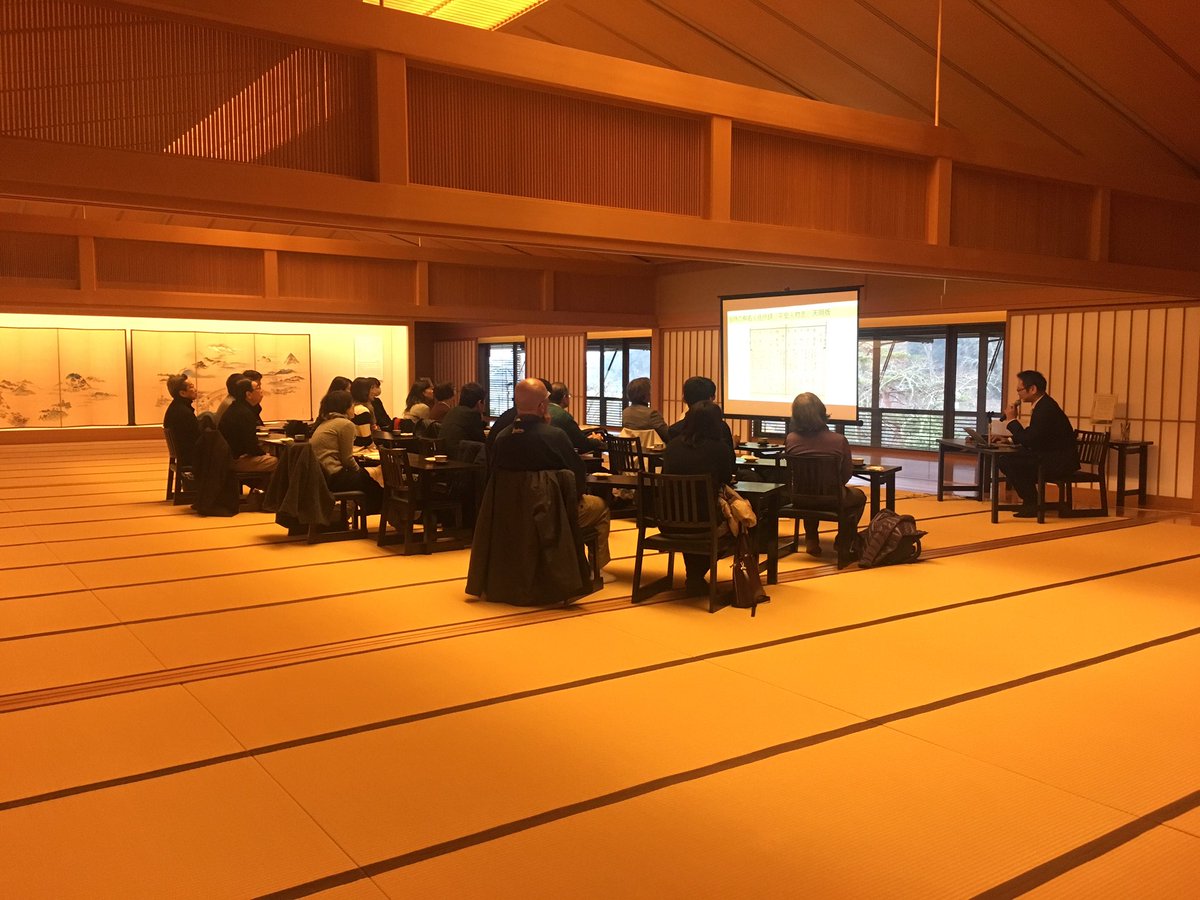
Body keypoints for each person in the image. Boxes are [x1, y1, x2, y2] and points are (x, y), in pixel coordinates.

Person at [492, 378, 612, 579]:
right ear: (542, 406)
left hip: (511, 514)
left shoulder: (502, 438)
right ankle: (593, 570)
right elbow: (577, 476)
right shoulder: (554, 436)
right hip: (552, 514)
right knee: (600, 506)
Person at [661, 400, 736, 593]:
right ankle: (696, 575)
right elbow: (726, 477)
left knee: (692, 518)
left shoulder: (672, 446)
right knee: (742, 524)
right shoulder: (719, 448)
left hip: (668, 521)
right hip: (706, 522)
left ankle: (694, 576)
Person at [785, 391, 865, 568]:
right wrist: (833, 486)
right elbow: (846, 474)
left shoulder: (791, 439)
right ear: (822, 412)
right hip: (833, 499)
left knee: (809, 490)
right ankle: (843, 541)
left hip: (799, 499)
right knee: (860, 496)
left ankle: (811, 539)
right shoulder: (838, 440)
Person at [999, 369, 1080, 518]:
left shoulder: (1045, 408)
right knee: (1008, 460)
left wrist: (1012, 420)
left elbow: (1031, 439)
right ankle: (1031, 501)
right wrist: (1010, 440)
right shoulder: (1043, 404)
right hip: (1051, 457)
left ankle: (1032, 502)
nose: (1018, 394)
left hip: (1058, 462)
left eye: (1019, 390)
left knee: (1009, 461)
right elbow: (1034, 432)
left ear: (1033, 389)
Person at [308, 390, 382, 514]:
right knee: (372, 480)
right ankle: (387, 512)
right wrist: (359, 470)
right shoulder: (345, 424)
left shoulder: (325, 423)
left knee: (368, 479)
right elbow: (347, 459)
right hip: (333, 476)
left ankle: (372, 511)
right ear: (345, 407)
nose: (354, 408)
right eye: (352, 405)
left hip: (322, 476)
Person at [666, 375, 735, 466]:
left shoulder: (674, 430)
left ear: (684, 399)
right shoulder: (722, 428)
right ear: (711, 398)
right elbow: (731, 465)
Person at [218, 377, 277, 474]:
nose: (261, 391)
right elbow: (250, 446)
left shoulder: (237, 408)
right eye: (258, 388)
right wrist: (264, 454)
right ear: (248, 394)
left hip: (230, 456)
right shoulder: (244, 414)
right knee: (276, 462)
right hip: (236, 460)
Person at [548, 382, 603, 454]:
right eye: (569, 396)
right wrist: (596, 440)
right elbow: (582, 444)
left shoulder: (543, 410)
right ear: (564, 398)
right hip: (561, 456)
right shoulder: (564, 416)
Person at [440, 381, 487, 457]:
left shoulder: (453, 411)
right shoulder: (472, 414)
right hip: (459, 460)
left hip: (445, 456)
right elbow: (483, 443)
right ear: (479, 403)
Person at [162, 373, 200, 465]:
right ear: (182, 393)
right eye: (191, 387)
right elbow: (196, 437)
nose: (195, 390)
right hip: (190, 457)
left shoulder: (175, 407)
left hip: (184, 455)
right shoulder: (183, 412)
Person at [621, 376, 670, 446]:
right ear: (645, 395)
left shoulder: (625, 413)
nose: (650, 393)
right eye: (649, 391)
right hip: (650, 451)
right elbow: (666, 435)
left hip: (630, 451)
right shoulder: (652, 414)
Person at [349, 377, 378, 446]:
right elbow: (366, 440)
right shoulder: (362, 411)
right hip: (359, 449)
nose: (375, 392)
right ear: (364, 392)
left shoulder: (351, 407)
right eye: (372, 388)